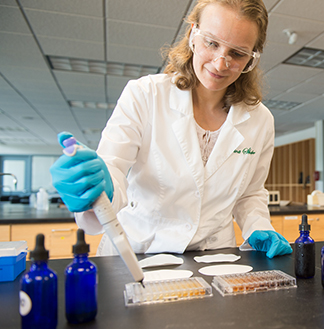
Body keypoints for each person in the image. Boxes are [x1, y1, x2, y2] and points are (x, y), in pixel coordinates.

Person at [50, 0, 292, 259]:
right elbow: (113, 169)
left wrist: (258, 227)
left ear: (252, 57)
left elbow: (250, 193)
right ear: (193, 34)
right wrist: (100, 189)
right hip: (141, 253)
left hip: (213, 258)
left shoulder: (260, 119)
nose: (221, 63)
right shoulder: (144, 95)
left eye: (237, 53)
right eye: (212, 43)